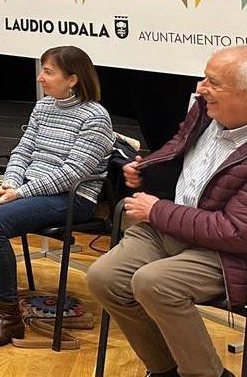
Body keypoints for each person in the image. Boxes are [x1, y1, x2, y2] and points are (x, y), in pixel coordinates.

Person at [88, 45, 247, 377]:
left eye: (213, 82)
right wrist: (149, 169)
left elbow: (236, 232)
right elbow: (179, 147)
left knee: (154, 283)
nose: (200, 88)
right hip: (171, 226)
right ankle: (164, 371)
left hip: (221, 252)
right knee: (104, 278)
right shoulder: (205, 109)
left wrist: (157, 209)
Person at [0, 45, 113, 346]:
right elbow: (22, 151)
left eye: (49, 72)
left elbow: (72, 174)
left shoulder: (95, 118)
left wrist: (19, 192)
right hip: (28, 189)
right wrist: (10, 183)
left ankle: (8, 315)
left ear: (73, 79)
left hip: (74, 198)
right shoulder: (44, 107)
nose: (41, 78)